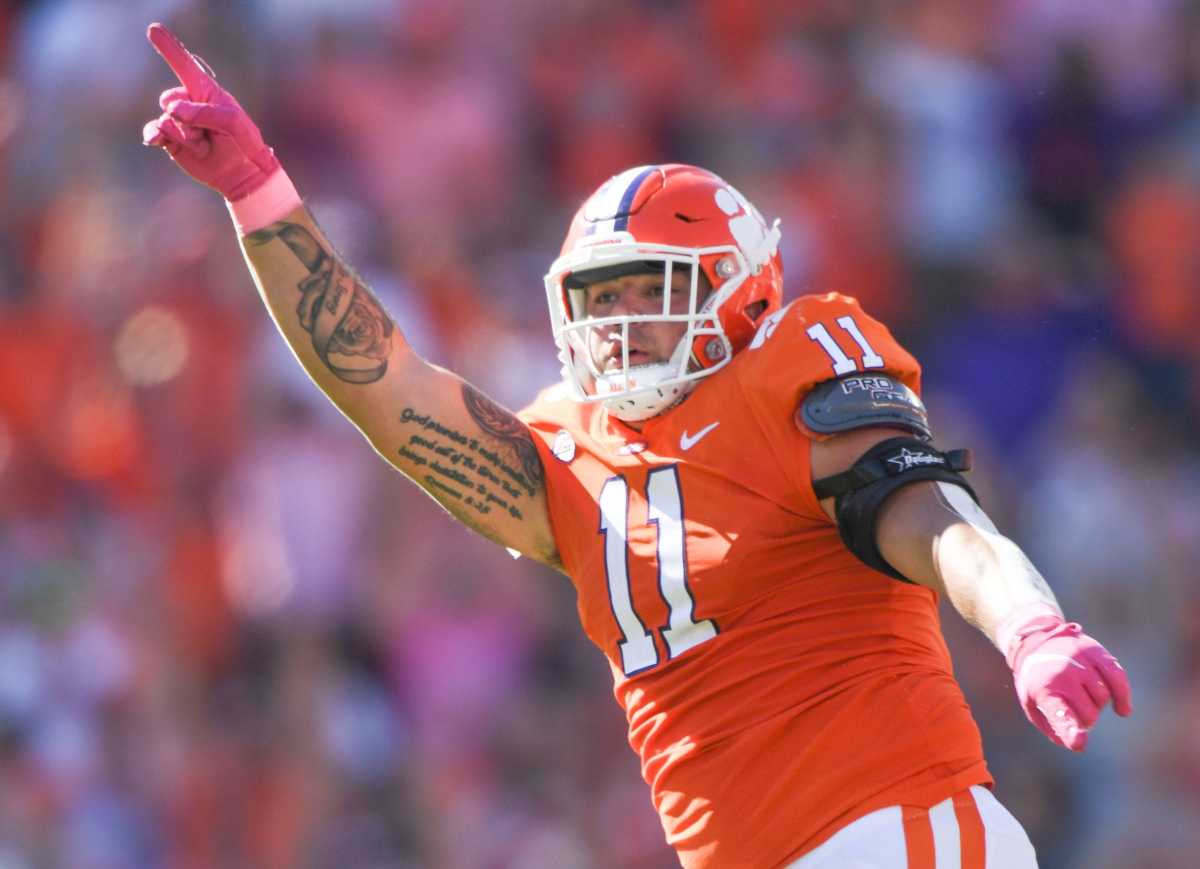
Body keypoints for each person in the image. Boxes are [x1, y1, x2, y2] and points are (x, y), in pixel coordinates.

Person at [142, 22, 1132, 869]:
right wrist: (258, 191)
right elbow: (382, 383)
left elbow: (931, 513)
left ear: (737, 287)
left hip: (890, 830)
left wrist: (1028, 627)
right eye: (596, 297)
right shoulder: (570, 448)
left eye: (644, 290)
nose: (615, 322)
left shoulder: (795, 359)